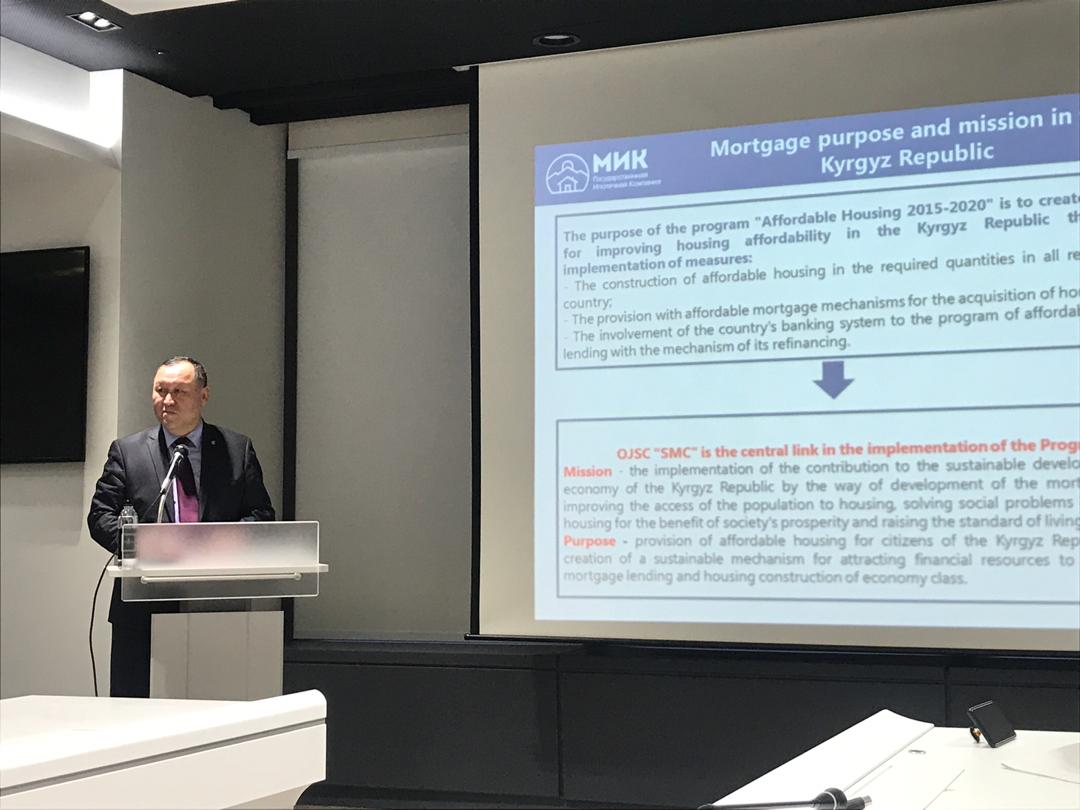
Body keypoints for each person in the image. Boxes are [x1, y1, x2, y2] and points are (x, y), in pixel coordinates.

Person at [87, 356, 274, 697]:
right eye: (160, 390)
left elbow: (261, 515)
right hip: (142, 608)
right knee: (136, 712)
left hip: (216, 605)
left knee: (212, 706)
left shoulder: (237, 449)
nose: (168, 400)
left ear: (204, 396)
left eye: (179, 392)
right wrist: (145, 545)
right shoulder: (128, 452)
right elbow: (100, 517)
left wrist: (216, 542)